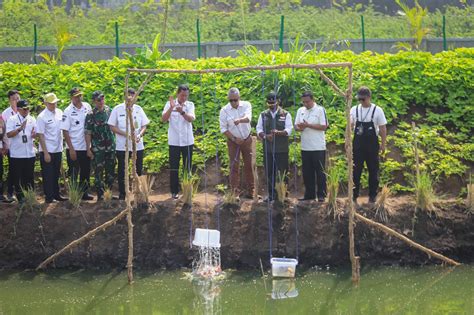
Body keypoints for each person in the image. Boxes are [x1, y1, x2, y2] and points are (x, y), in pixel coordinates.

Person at [108, 88, 150, 200]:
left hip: (138, 145)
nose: (131, 99)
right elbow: (112, 126)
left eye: (133, 96)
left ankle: (139, 193)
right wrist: (126, 134)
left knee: (139, 169)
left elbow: (144, 125)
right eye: (129, 96)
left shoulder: (138, 109)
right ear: (125, 97)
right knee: (122, 169)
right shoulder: (117, 109)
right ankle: (123, 193)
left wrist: (139, 135)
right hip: (122, 146)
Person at [351, 86, 387, 204]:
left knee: (373, 170)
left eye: (363, 99)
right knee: (356, 171)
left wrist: (383, 144)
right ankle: (354, 195)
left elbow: (382, 128)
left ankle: (372, 196)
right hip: (358, 145)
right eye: (359, 99)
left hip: (372, 145)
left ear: (369, 97)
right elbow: (350, 126)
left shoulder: (377, 110)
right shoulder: (354, 110)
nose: (361, 101)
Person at [256, 92, 293, 202]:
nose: (271, 105)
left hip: (282, 150)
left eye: (273, 103)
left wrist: (278, 133)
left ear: (278, 102)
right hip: (268, 149)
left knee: (283, 172)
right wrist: (266, 136)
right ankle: (271, 195)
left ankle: (283, 195)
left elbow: (289, 130)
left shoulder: (285, 114)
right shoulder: (263, 115)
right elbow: (259, 130)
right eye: (269, 103)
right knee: (269, 173)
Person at [219, 87, 254, 199]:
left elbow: (248, 118)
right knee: (234, 166)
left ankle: (251, 191)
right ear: (228, 99)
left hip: (247, 140)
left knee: (249, 165)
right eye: (231, 100)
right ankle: (235, 192)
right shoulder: (224, 110)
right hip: (233, 142)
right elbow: (223, 129)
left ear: (239, 98)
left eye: (235, 100)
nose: (233, 102)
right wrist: (234, 139)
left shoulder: (246, 105)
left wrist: (240, 120)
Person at [162, 85, 195, 199]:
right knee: (174, 167)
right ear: (177, 94)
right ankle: (174, 192)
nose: (184, 98)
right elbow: (164, 119)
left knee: (188, 167)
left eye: (186, 95)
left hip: (187, 141)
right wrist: (171, 108)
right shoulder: (169, 104)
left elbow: (191, 119)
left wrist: (182, 112)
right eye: (182, 95)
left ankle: (187, 191)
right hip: (174, 141)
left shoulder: (190, 105)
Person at [294, 91, 328, 202]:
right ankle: (309, 195)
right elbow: (296, 126)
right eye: (303, 102)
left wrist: (308, 125)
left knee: (320, 172)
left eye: (307, 102)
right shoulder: (300, 110)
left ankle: (322, 195)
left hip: (318, 147)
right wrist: (300, 128)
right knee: (307, 173)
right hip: (305, 147)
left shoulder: (320, 110)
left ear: (313, 100)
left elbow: (324, 126)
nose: (305, 104)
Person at [60, 87, 93, 200]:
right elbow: (65, 131)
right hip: (74, 146)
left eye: (80, 95)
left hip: (86, 146)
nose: (79, 98)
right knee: (73, 172)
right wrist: (71, 149)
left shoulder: (87, 106)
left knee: (86, 170)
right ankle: (74, 194)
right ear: (71, 97)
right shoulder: (67, 111)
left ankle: (84, 193)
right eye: (76, 96)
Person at [36, 93, 68, 203]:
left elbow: (63, 129)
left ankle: (56, 194)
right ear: (46, 103)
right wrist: (45, 153)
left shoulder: (59, 112)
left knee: (56, 174)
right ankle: (49, 197)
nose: (54, 105)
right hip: (47, 149)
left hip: (58, 149)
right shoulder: (42, 117)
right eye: (51, 103)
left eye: (55, 103)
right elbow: (40, 135)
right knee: (48, 175)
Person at [85, 91, 116, 201]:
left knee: (110, 170)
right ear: (94, 101)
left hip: (110, 147)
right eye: (99, 100)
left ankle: (109, 193)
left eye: (102, 99)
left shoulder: (109, 111)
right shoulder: (90, 114)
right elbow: (88, 132)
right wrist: (88, 148)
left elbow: (114, 127)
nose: (101, 102)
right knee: (98, 172)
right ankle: (100, 194)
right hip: (98, 148)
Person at [6, 100, 36, 202]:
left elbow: (35, 133)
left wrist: (34, 135)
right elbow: (9, 134)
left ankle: (30, 196)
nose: (27, 111)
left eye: (28, 108)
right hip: (17, 154)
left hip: (30, 153)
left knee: (29, 176)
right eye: (24, 109)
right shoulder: (12, 119)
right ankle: (20, 197)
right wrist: (20, 129)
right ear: (18, 109)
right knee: (18, 177)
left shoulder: (32, 119)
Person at [1, 90, 20, 202]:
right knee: (12, 169)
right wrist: (4, 146)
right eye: (14, 99)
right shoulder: (5, 114)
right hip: (9, 146)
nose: (17, 101)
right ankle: (9, 192)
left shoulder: (23, 110)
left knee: (18, 170)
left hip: (21, 146)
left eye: (18, 98)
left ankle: (19, 192)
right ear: (9, 100)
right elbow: (3, 132)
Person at [0, 116, 6, 202]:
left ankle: (0, 195)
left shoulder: (0, 118)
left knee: (0, 171)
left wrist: (3, 146)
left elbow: (2, 133)